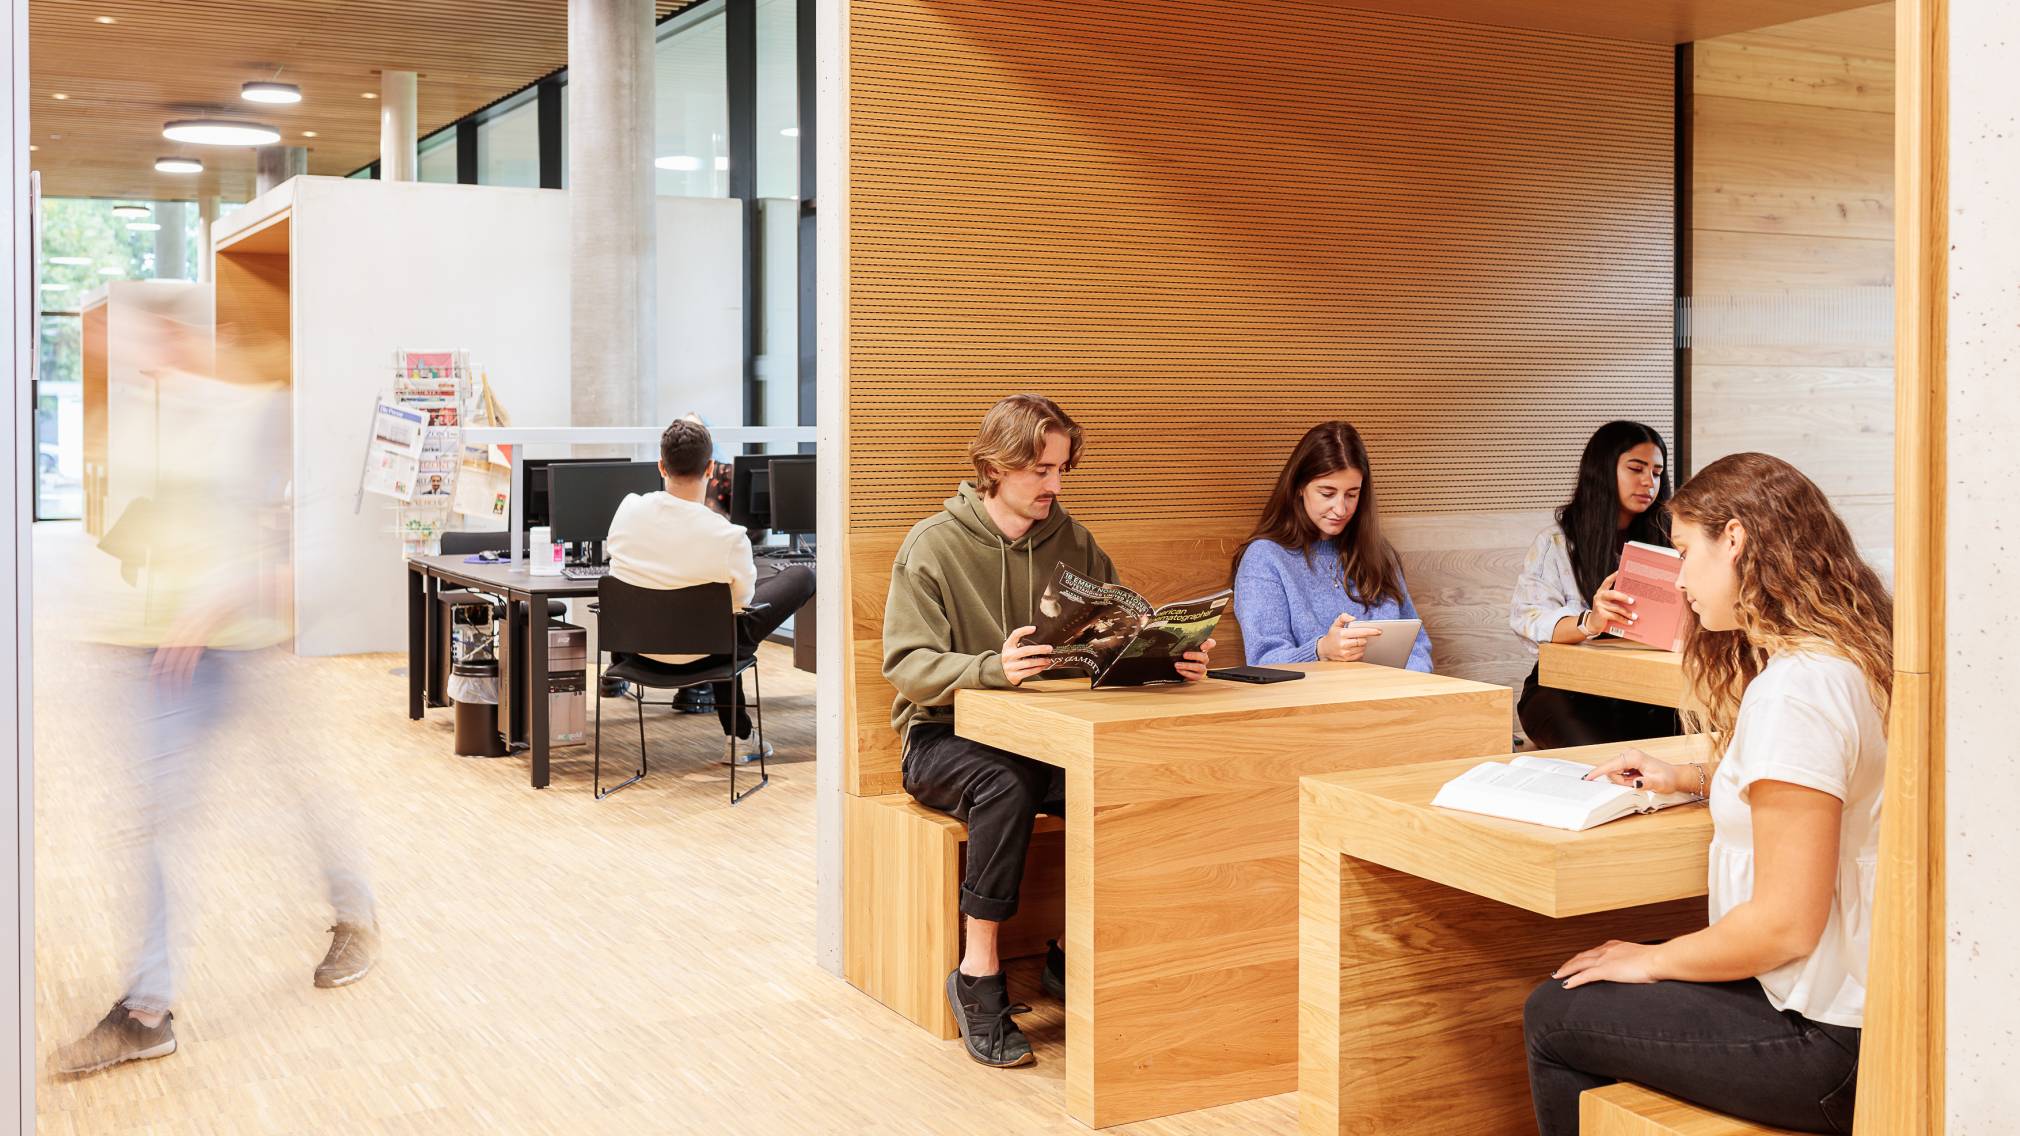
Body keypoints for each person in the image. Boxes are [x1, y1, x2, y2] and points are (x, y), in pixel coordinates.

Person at [1522, 452, 1889, 1134]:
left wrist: (1655, 959)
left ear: (1737, 541)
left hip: (1827, 1041)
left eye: (1686, 553)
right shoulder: (1847, 658)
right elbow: (1817, 789)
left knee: (1557, 1009)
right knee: (1606, 970)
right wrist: (1691, 777)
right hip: (1858, 1007)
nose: (1680, 579)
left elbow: (1784, 923)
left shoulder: (1797, 692)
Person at [57, 313, 378, 1076]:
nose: (154, 359)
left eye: (168, 343)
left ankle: (355, 911)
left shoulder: (264, 416)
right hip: (164, 656)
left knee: (297, 795)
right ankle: (148, 1009)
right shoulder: (154, 420)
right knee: (154, 822)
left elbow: (322, 555)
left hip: (242, 646)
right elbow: (149, 531)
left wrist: (225, 598)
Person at [883, 394, 1214, 1069]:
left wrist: (1165, 658)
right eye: (1039, 470)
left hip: (1049, 735)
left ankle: (1074, 951)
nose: (1053, 486)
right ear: (994, 467)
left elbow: (1114, 640)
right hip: (942, 739)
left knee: (1123, 777)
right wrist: (989, 666)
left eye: (1061, 469)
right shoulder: (933, 545)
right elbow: (908, 667)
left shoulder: (1074, 542)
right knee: (1005, 784)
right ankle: (978, 974)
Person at [605, 417, 814, 756]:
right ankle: (739, 739)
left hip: (638, 652)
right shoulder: (727, 536)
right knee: (799, 578)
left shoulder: (628, 509)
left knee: (719, 617)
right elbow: (742, 604)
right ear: (711, 469)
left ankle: (741, 736)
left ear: (661, 465)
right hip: (708, 656)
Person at [1509, 421, 1681, 747]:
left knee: (1693, 740)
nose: (1649, 482)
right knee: (1605, 760)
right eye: (1636, 468)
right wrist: (1592, 622)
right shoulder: (1557, 543)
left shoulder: (1672, 541)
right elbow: (1529, 619)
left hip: (1651, 688)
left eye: (1657, 473)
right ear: (1602, 470)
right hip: (1568, 688)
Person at [1231, 421, 1432, 670]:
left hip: (1390, 700)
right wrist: (1321, 650)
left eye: (1352, 494)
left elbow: (1417, 645)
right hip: (1312, 705)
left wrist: (1409, 685)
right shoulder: (1265, 558)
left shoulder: (1379, 554)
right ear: (1299, 488)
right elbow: (1263, 661)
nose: (1340, 509)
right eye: (1327, 493)